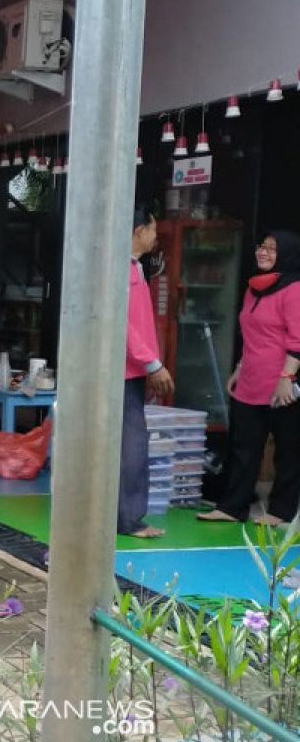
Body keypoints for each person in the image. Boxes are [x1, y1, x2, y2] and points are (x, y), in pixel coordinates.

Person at [198, 230, 300, 525]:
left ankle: (281, 511)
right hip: (251, 380)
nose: (263, 252)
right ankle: (232, 507)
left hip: (281, 384)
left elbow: (297, 338)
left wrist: (286, 376)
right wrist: (240, 369)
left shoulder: (293, 289)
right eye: (262, 247)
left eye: (272, 249)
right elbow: (253, 335)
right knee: (244, 447)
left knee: (287, 450)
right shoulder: (254, 288)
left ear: (288, 254)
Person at [120, 209, 173, 538]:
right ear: (139, 229)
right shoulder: (121, 270)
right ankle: (129, 519)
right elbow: (122, 326)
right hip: (125, 372)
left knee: (127, 444)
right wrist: (151, 363)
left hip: (134, 370)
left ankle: (124, 516)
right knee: (131, 446)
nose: (156, 237)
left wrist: (149, 364)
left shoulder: (135, 268)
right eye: (153, 230)